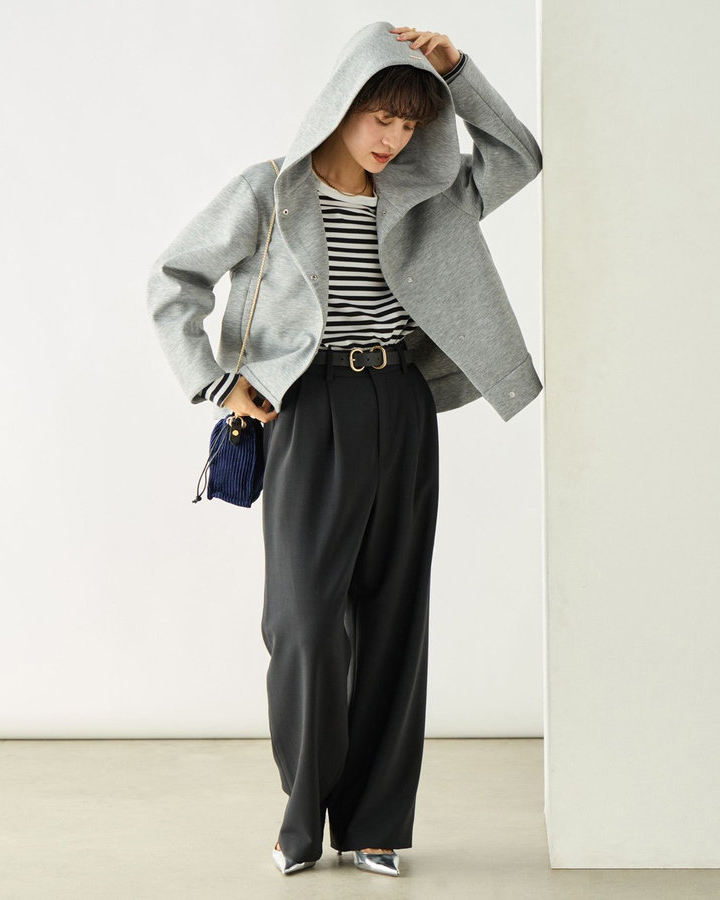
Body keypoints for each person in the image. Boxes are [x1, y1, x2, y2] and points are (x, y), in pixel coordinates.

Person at [146, 20, 543, 878]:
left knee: (395, 617)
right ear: (341, 103)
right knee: (303, 623)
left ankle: (373, 826)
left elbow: (518, 157)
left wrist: (457, 73)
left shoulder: (428, 192)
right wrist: (215, 381)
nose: (394, 139)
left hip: (401, 404)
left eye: (409, 124)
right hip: (309, 406)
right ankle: (301, 816)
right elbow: (174, 279)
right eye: (381, 118)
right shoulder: (270, 192)